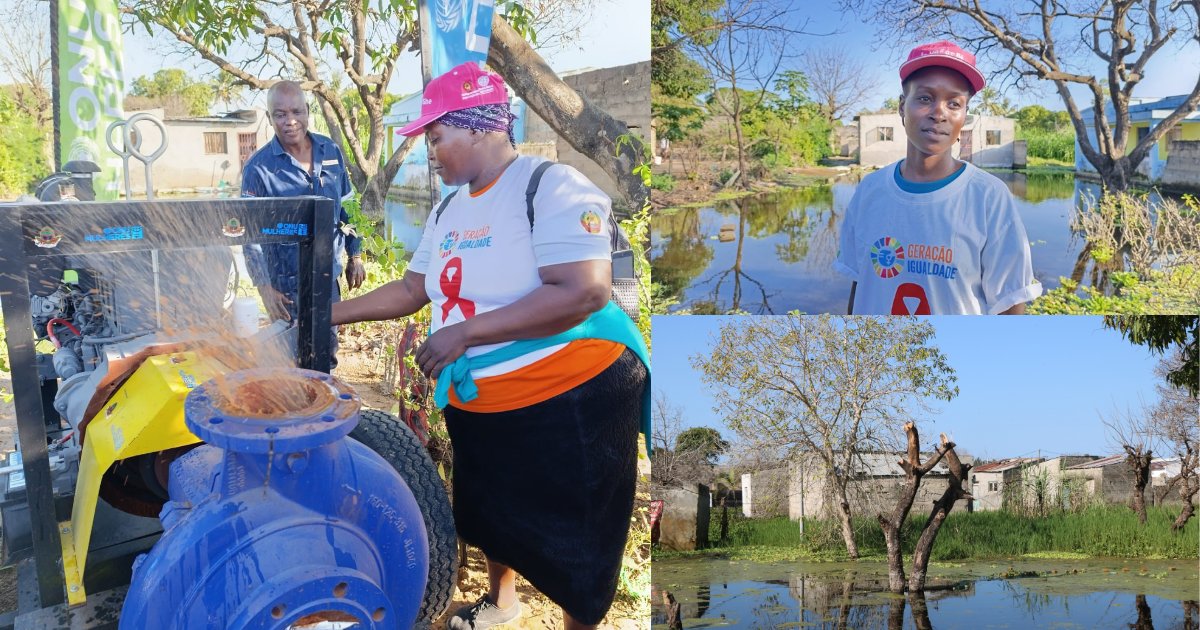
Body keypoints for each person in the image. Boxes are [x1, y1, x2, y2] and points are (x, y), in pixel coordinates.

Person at [331, 62, 649, 630]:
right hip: (481, 400)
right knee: (490, 514)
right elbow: (412, 289)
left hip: (569, 398)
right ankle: (503, 603)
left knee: (578, 541)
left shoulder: (550, 187)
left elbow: (584, 290)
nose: (430, 152)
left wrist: (464, 333)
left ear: (479, 127)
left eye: (436, 136)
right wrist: (326, 314)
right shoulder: (447, 209)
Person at [834, 41, 1042, 315]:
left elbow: (1009, 305)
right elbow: (860, 285)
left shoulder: (989, 197)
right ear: (902, 107)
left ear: (964, 116)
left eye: (954, 103)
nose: (939, 113)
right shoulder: (869, 190)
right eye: (924, 98)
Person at [242, 80, 365, 364]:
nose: (290, 121)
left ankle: (323, 391)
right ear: (269, 117)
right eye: (280, 114)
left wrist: (355, 254)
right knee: (291, 359)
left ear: (307, 111)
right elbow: (248, 234)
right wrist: (264, 287)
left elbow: (348, 206)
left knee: (325, 354)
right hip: (285, 287)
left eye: (296, 112)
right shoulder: (258, 168)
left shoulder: (330, 151)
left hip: (327, 278)